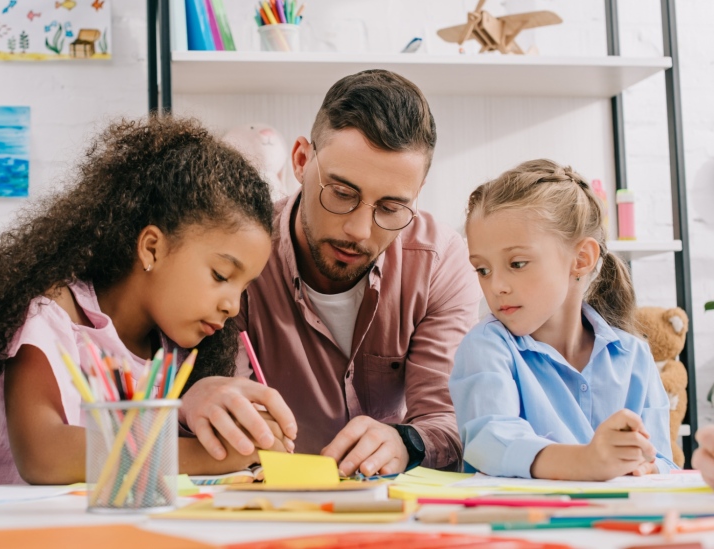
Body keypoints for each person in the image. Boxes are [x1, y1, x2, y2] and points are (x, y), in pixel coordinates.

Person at [0, 116, 295, 485]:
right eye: (221, 276)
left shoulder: (175, 351)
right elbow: (44, 454)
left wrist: (230, 429)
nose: (233, 306)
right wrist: (209, 456)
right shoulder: (52, 315)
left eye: (243, 288)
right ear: (152, 248)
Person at [204, 69, 480, 477]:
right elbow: (225, 418)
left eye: (390, 208)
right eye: (342, 193)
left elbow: (447, 421)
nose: (358, 231)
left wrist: (406, 441)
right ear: (301, 160)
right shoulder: (240, 254)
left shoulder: (438, 262)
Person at [450, 159, 676, 480]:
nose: (496, 285)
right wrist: (587, 462)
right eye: (483, 269)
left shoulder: (634, 357)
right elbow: (491, 441)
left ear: (581, 259)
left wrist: (645, 466)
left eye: (517, 263)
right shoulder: (486, 347)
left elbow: (663, 462)